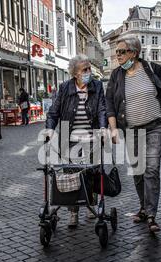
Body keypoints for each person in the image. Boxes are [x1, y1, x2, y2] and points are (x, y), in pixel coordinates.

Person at [106, 35, 161, 233]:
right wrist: (113, 128)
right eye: (117, 52)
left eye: (122, 52)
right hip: (131, 129)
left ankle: (151, 215)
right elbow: (110, 104)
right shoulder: (116, 75)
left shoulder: (153, 69)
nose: (118, 55)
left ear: (134, 53)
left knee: (152, 169)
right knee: (138, 172)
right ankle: (142, 206)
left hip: (155, 127)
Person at [46, 54, 107, 229]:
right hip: (69, 138)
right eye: (85, 70)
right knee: (71, 175)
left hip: (91, 137)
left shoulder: (97, 85)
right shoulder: (65, 88)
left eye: (89, 68)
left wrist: (103, 128)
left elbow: (102, 108)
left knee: (91, 174)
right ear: (75, 73)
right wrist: (50, 129)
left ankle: (90, 205)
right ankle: (73, 212)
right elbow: (53, 112)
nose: (89, 72)